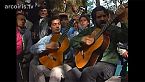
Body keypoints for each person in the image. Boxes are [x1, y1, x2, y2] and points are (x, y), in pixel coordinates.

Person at [70, 5, 128, 82]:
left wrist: (123, 20)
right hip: (88, 63)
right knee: (70, 73)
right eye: (99, 17)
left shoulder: (114, 30)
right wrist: (82, 39)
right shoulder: (89, 31)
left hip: (108, 64)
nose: (102, 19)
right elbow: (73, 41)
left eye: (104, 16)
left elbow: (125, 37)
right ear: (94, 19)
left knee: (88, 72)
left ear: (108, 17)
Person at [29, 16, 79, 82]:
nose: (57, 26)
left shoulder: (67, 38)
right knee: (38, 68)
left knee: (56, 71)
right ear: (50, 27)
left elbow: (73, 54)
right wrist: (46, 46)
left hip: (64, 66)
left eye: (59, 24)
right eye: (54, 24)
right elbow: (32, 49)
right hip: (49, 65)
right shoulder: (46, 38)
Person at [16, 13, 33, 82]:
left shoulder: (27, 32)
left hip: (22, 58)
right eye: (20, 19)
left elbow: (30, 46)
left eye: (24, 20)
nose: (23, 21)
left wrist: (26, 58)